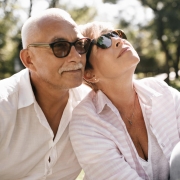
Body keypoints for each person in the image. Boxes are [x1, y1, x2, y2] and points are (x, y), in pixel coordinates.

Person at [69, 21, 180, 180]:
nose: (118, 40)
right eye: (103, 41)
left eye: (117, 34)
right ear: (90, 74)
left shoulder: (162, 92)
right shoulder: (86, 122)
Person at [0, 8, 91, 180]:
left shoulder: (92, 108)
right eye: (60, 47)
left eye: (80, 45)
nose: (77, 56)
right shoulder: (3, 106)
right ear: (29, 59)